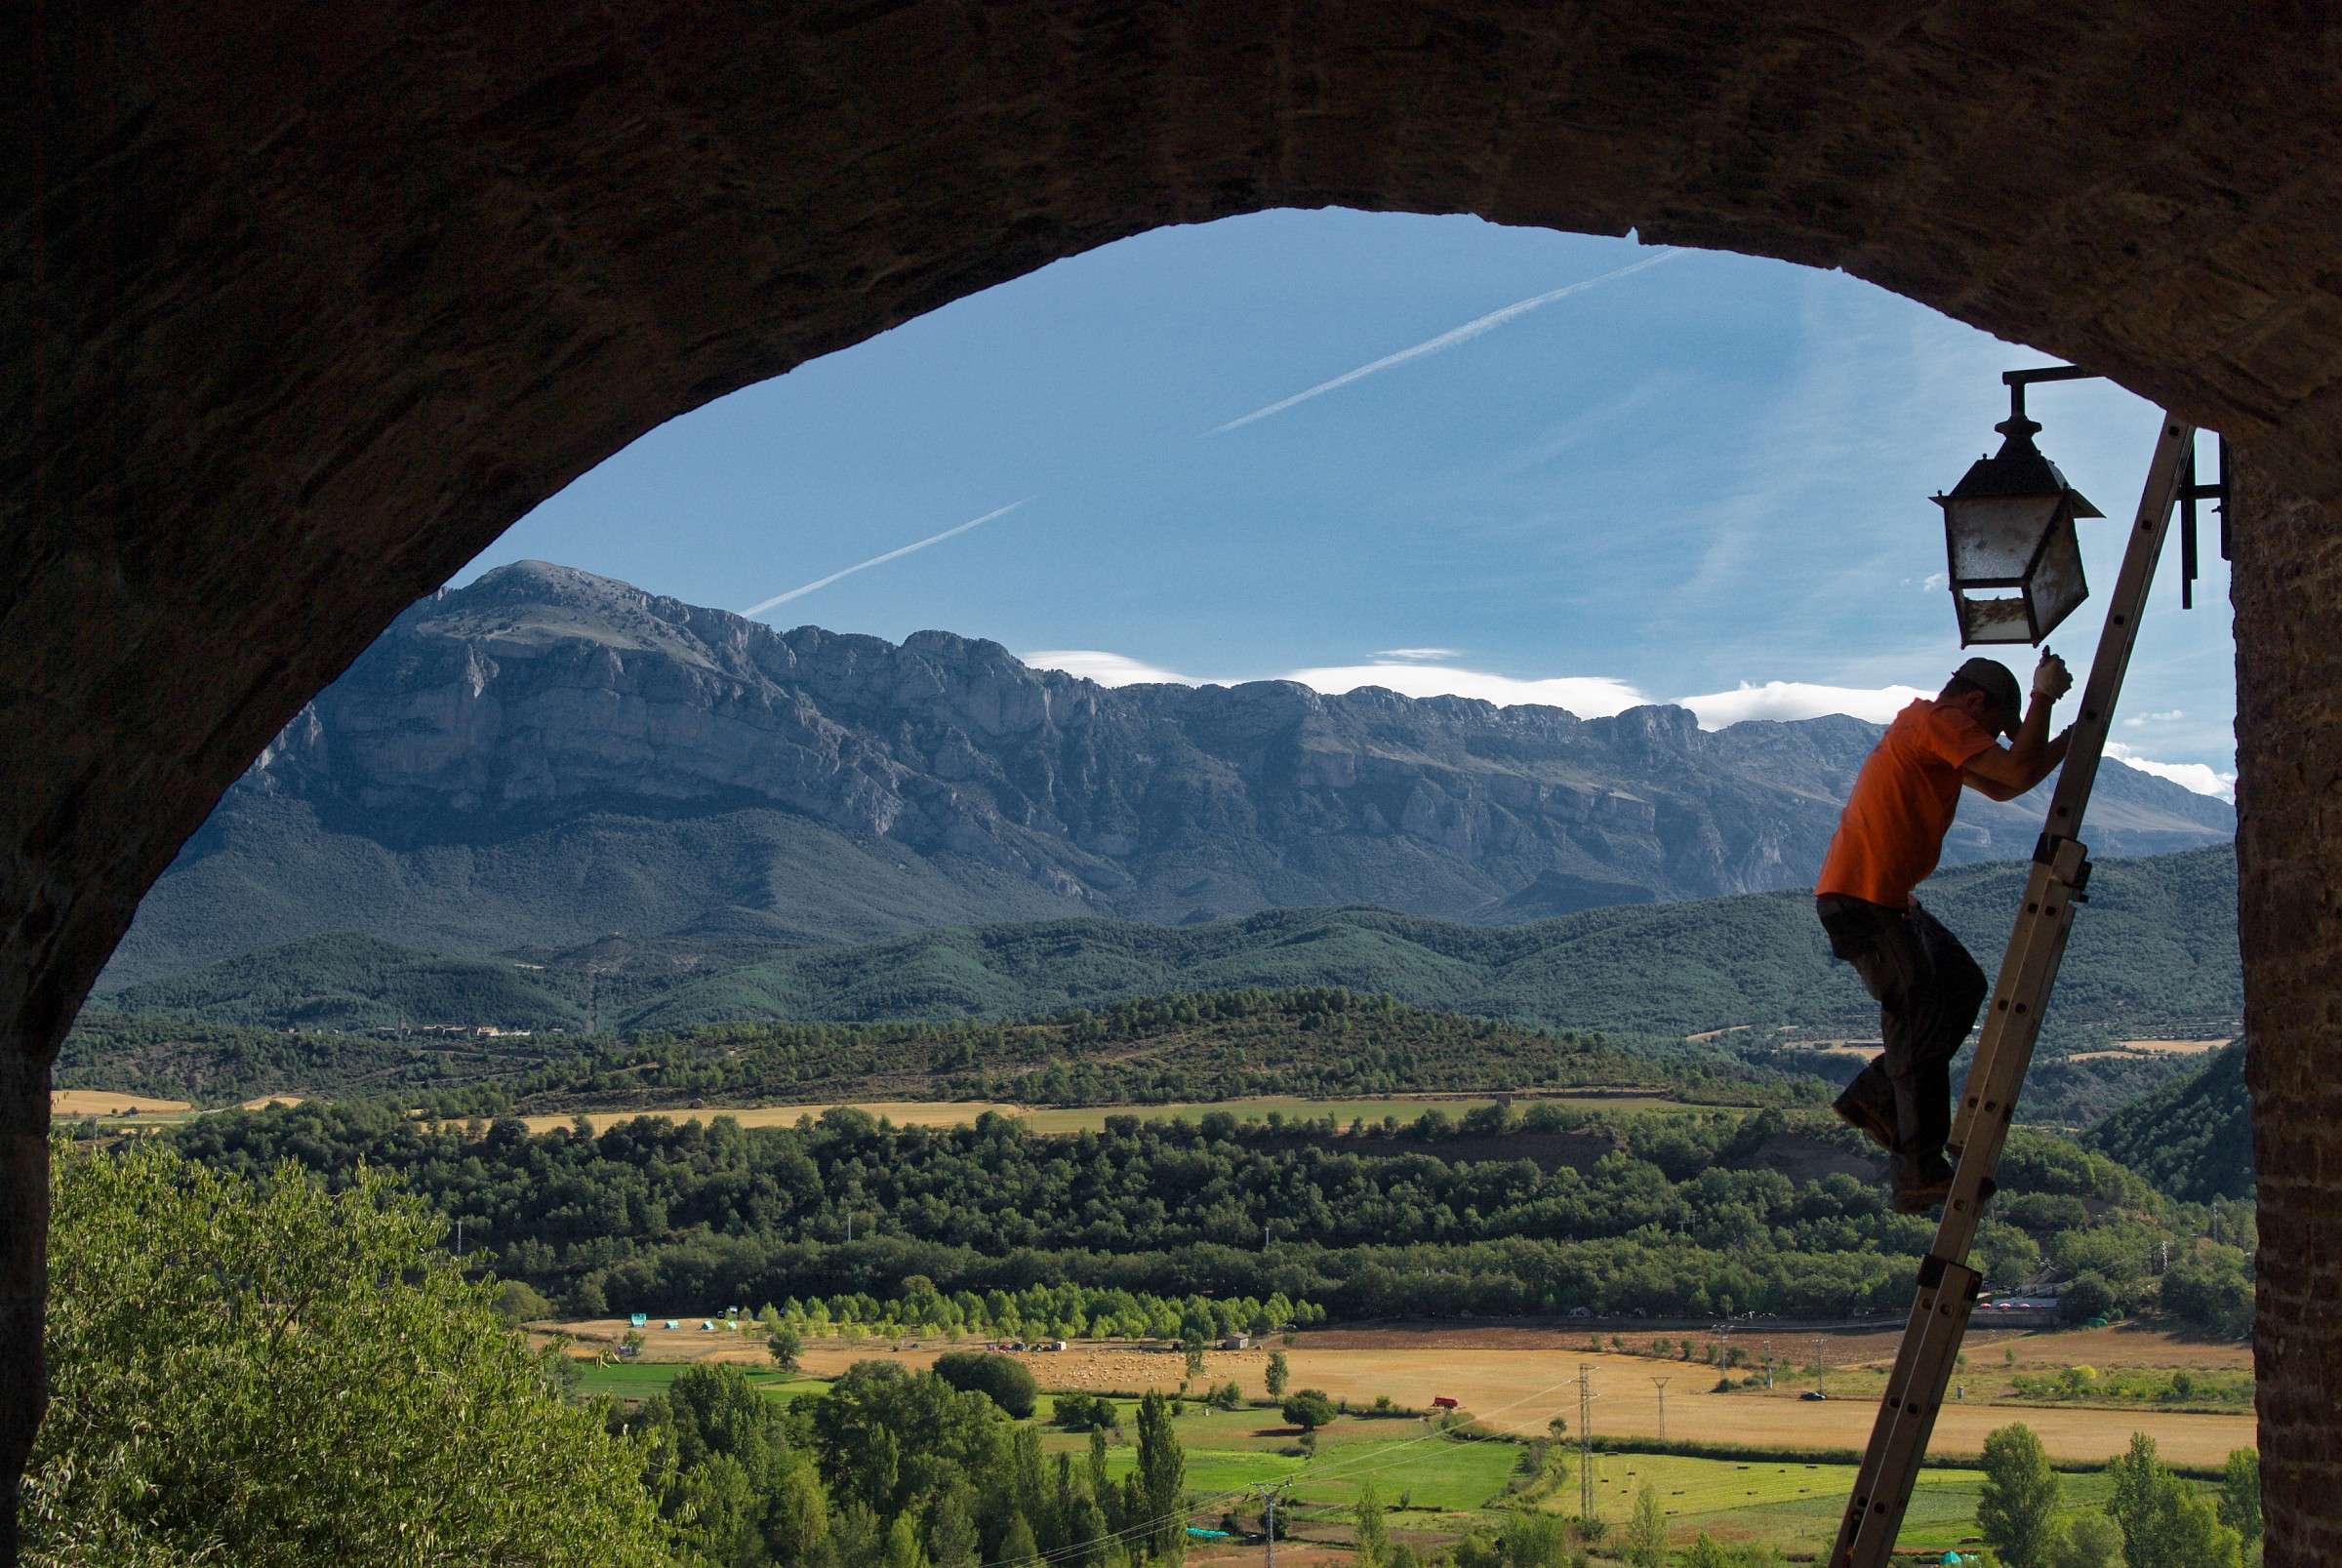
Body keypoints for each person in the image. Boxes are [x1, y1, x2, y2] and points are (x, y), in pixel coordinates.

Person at [1817, 653, 2074, 1212]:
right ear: (1975, 703)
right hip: (1867, 899)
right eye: (1995, 729)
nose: (1994, 740)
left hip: (1882, 900)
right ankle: (1918, 1171)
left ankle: (1878, 1097)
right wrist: (2044, 700)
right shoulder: (1938, 721)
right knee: (1919, 1022)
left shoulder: (1930, 732)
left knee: (1960, 985)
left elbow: (2006, 784)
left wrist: (2066, 744)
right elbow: (2015, 773)